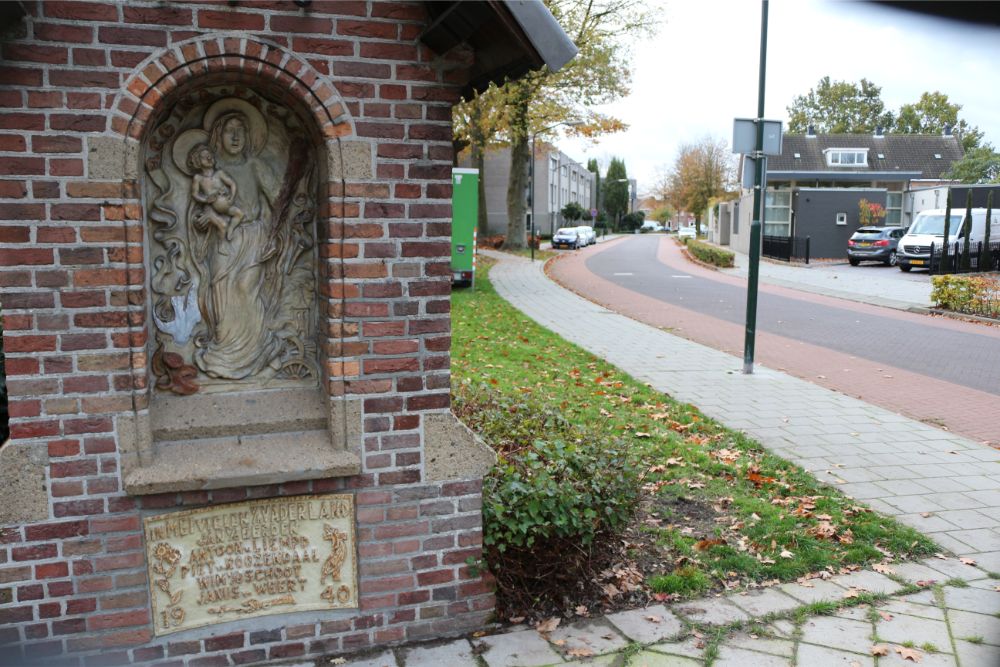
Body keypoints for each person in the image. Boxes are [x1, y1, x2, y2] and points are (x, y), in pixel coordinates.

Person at [187, 143, 245, 240]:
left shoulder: (219, 174)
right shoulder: (198, 178)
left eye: (210, 155)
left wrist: (232, 196)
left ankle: (231, 228)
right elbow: (194, 194)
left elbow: (232, 184)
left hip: (226, 206)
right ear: (198, 162)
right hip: (211, 208)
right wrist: (206, 200)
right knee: (222, 225)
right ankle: (221, 247)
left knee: (240, 214)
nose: (209, 158)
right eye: (204, 157)